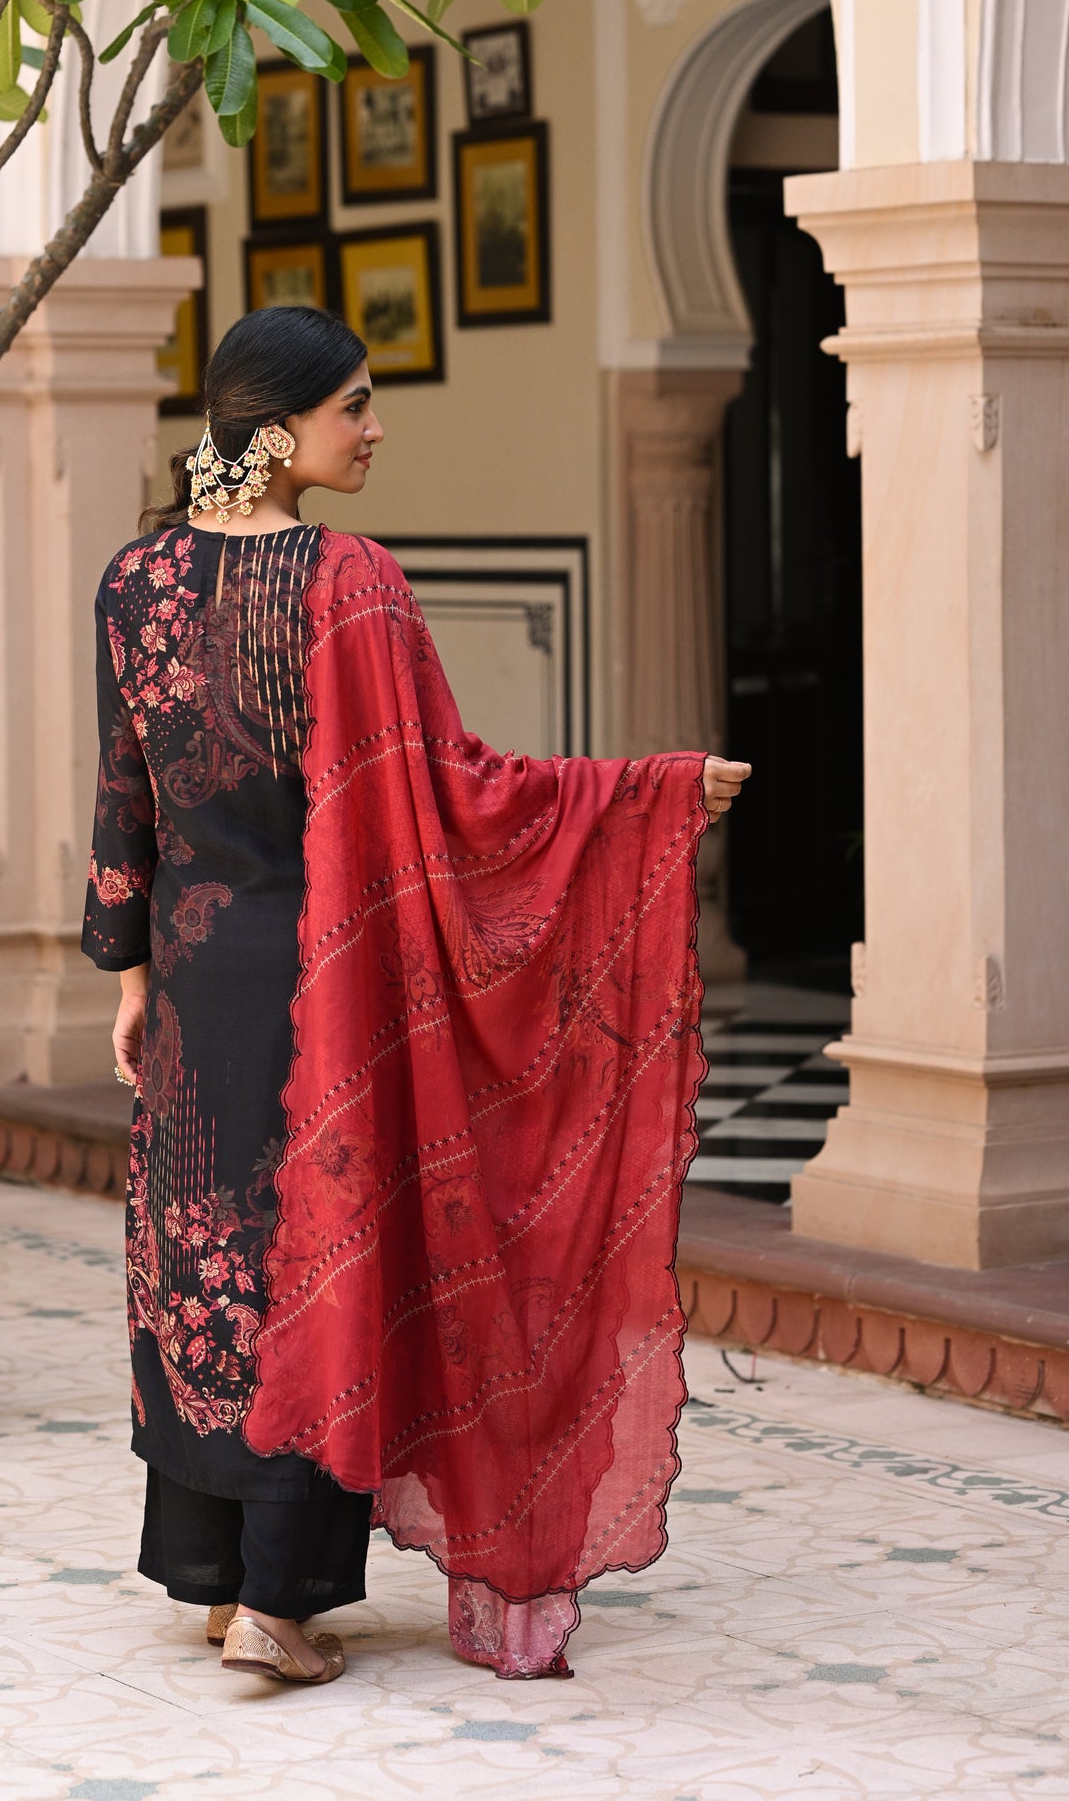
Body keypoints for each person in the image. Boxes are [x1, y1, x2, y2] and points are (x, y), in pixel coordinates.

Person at [81, 306, 750, 1687]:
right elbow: (463, 792)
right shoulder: (352, 585)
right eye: (353, 409)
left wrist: (130, 973)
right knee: (314, 1264)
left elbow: (122, 801)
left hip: (200, 979)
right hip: (326, 986)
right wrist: (645, 798)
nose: (375, 429)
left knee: (203, 1262)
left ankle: (216, 1581)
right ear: (274, 430)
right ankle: (279, 1606)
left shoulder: (133, 580)